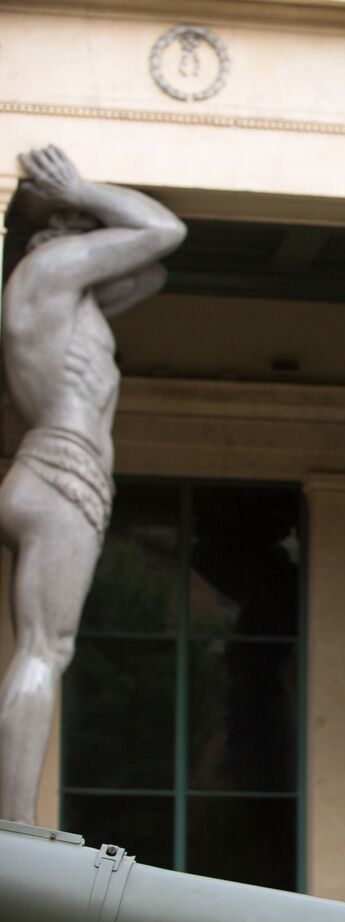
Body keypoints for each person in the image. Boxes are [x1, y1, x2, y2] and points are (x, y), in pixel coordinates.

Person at [0, 145, 185, 824]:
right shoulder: (51, 267)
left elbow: (150, 273)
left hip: (45, 470)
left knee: (42, 645)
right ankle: (14, 826)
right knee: (46, 647)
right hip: (63, 472)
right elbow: (163, 232)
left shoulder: (48, 290)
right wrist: (84, 187)